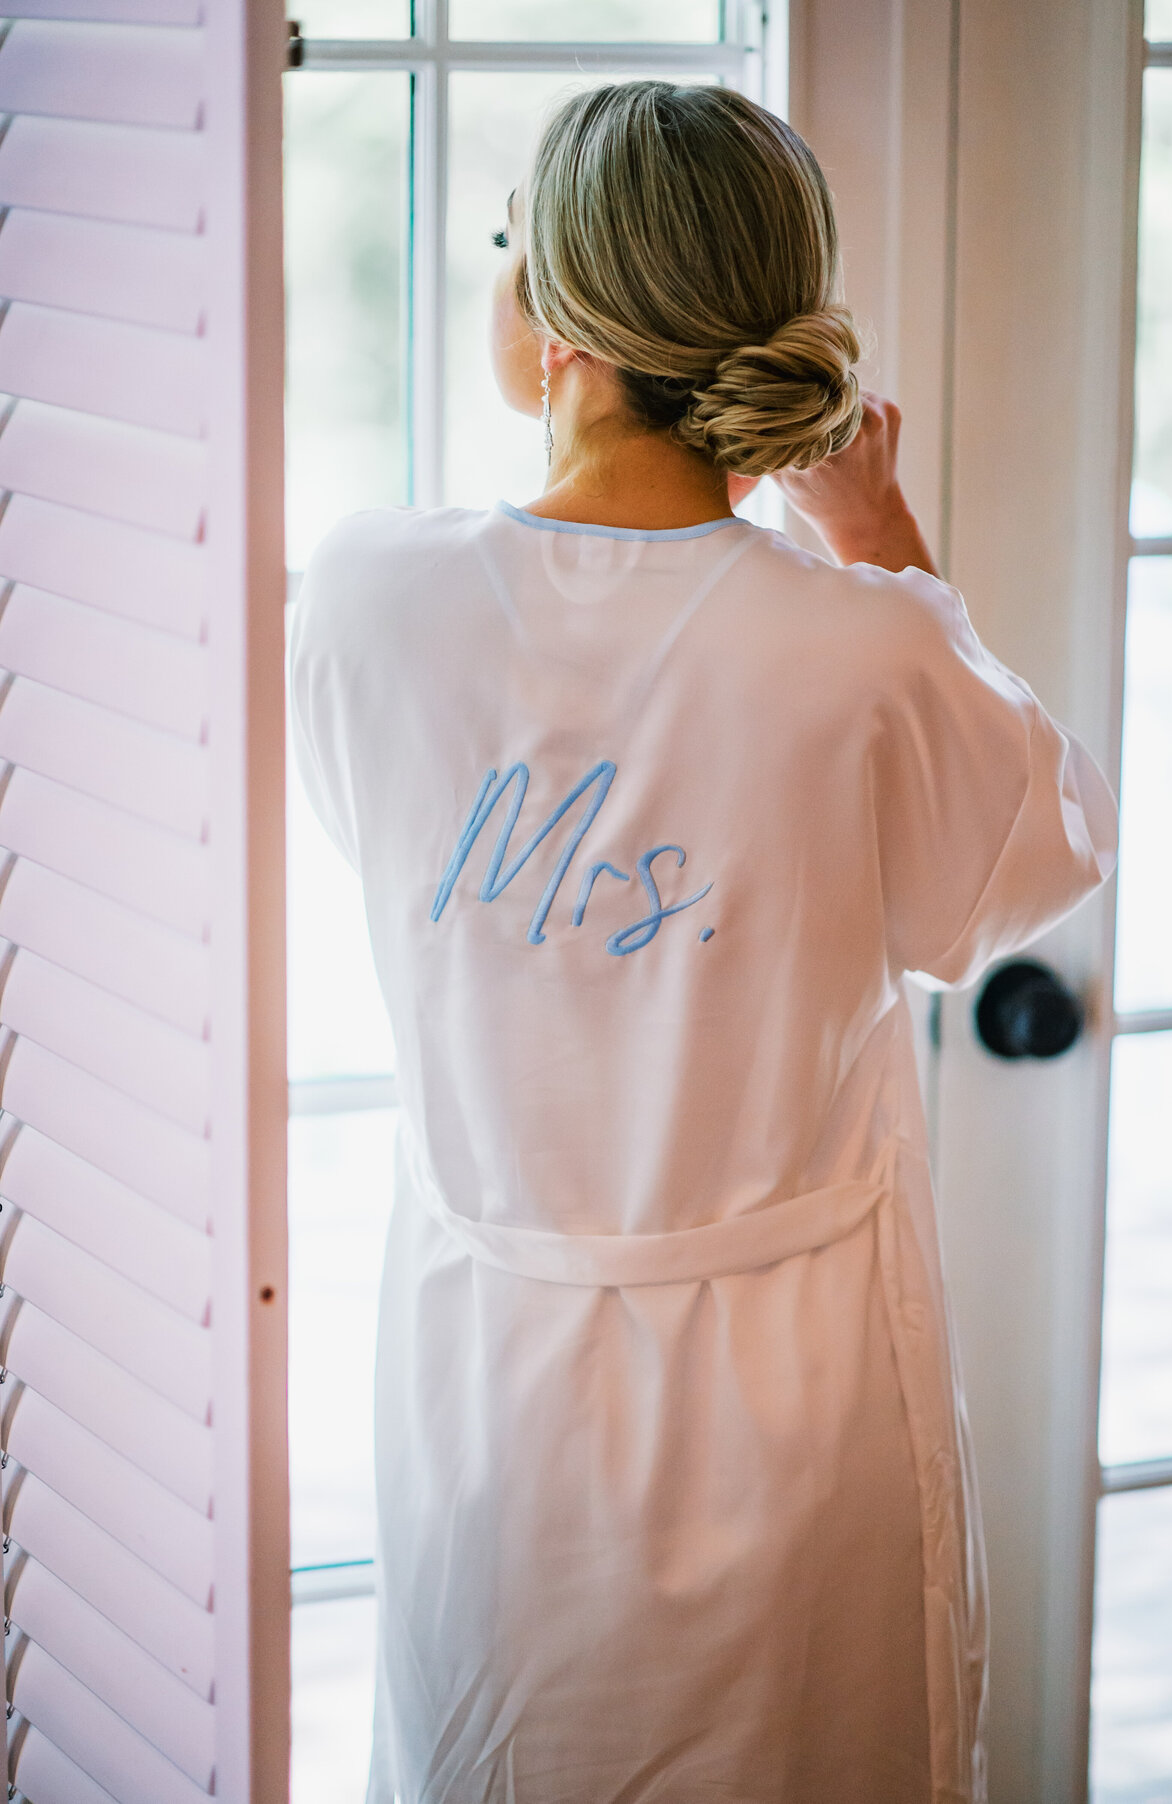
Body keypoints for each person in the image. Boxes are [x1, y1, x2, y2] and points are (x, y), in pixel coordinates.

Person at [290, 81, 1117, 1804]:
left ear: (564, 332)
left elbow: (380, 852)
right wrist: (882, 544)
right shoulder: (863, 650)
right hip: (796, 1402)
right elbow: (1031, 866)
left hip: (488, 1393)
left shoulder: (369, 597)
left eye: (511, 251)